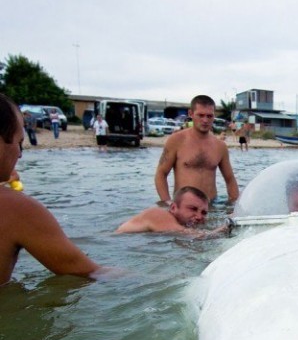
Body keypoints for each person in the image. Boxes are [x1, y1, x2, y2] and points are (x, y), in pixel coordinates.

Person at [0, 93, 107, 285]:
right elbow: (89, 272)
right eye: (19, 143)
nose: (20, 154)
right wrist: (161, 282)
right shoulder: (16, 208)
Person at [154, 95, 239, 205]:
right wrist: (167, 203)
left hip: (211, 206)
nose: (205, 120)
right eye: (201, 115)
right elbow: (161, 173)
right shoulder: (176, 140)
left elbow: (230, 179)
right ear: (191, 114)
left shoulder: (220, 146)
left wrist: (234, 205)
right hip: (184, 205)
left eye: (209, 116)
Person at [116, 185, 227, 235]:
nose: (199, 216)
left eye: (203, 213)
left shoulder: (176, 222)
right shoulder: (158, 214)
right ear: (173, 208)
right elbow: (196, 235)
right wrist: (224, 228)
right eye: (193, 209)